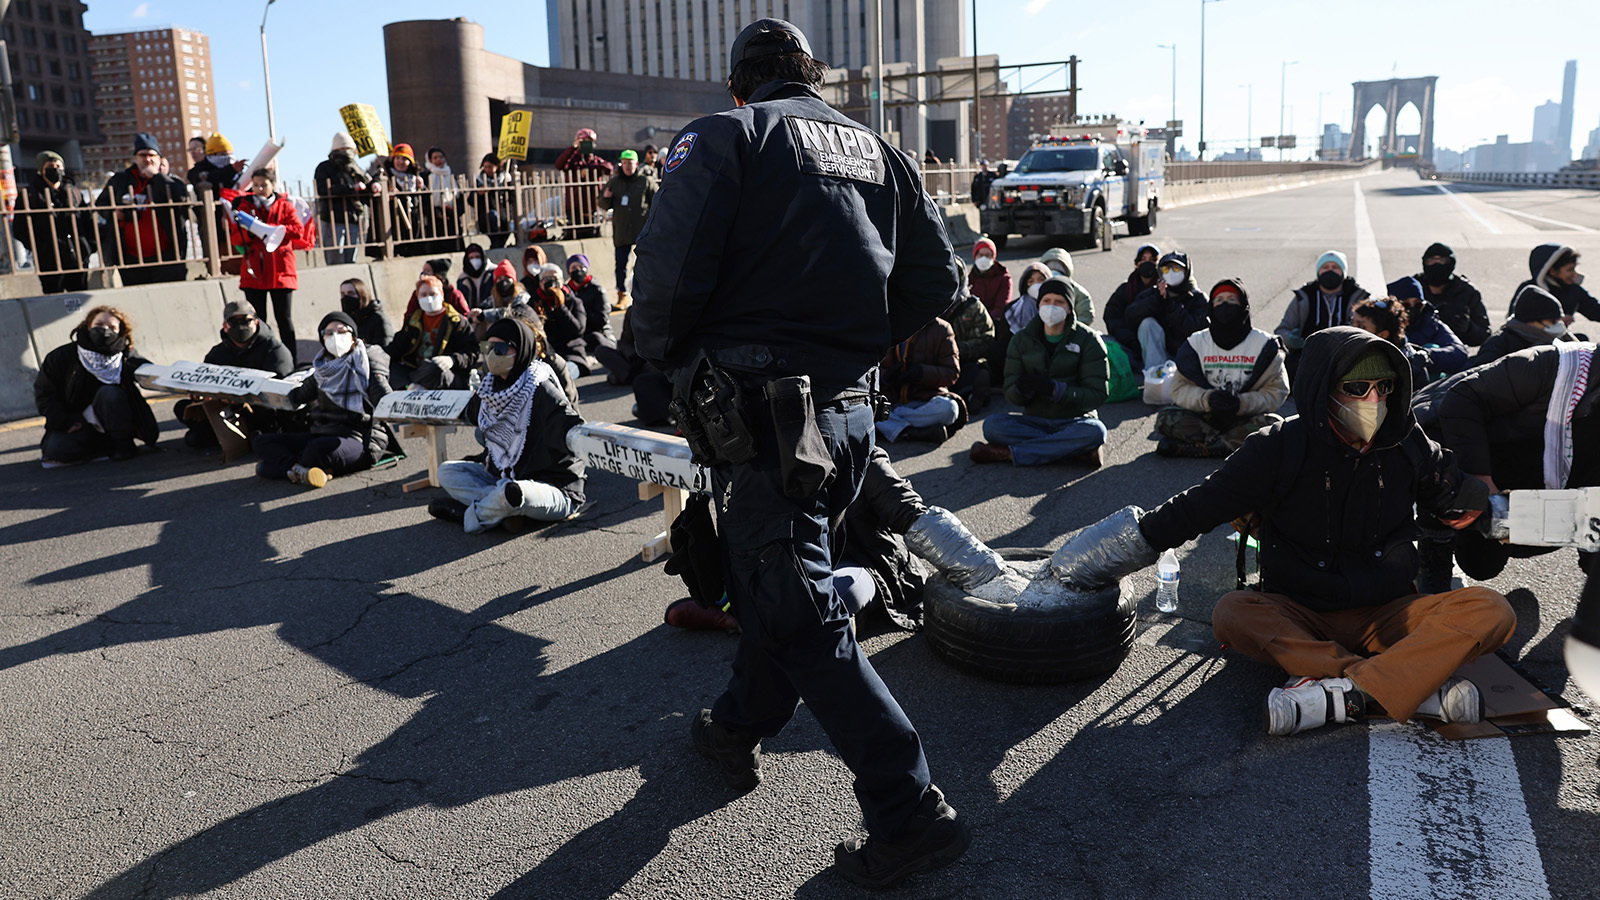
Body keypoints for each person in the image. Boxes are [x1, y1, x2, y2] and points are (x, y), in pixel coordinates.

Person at [630, 17, 970, 888]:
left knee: (798, 609)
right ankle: (734, 727)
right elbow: (941, 284)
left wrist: (671, 365)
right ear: (813, 80)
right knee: (777, 578)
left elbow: (667, 277)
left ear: (740, 85)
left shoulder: (724, 135)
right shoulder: (877, 147)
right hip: (848, 415)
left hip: (764, 417)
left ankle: (909, 810)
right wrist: (850, 346)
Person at [1053, 327, 1511, 737]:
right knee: (1232, 612)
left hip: (1390, 613)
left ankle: (1342, 692)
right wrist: (1099, 559)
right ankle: (1403, 686)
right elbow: (1194, 508)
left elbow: (1450, 485)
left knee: (1491, 610)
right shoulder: (1276, 448)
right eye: (1357, 388)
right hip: (1299, 611)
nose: (1374, 400)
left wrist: (1471, 501)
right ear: (1323, 389)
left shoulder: (1404, 440)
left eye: (1384, 387)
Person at [1425, 341, 1600, 586]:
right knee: (1480, 565)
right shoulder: (1549, 364)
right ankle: (1436, 543)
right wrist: (1482, 483)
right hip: (1476, 457)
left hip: (1534, 488)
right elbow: (1462, 400)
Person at [429, 317, 587, 533]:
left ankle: (472, 516)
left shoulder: (540, 389)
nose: (492, 355)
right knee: (447, 472)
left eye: (500, 348)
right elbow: (472, 414)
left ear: (520, 350)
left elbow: (572, 430)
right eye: (488, 347)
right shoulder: (490, 387)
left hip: (552, 486)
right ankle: (505, 511)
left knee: (514, 492)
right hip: (505, 476)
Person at [972, 276, 1109, 467]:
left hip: (1074, 420)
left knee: (1096, 431)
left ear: (1069, 307)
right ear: (1039, 305)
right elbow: (1010, 392)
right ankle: (1071, 452)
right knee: (992, 426)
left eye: (1059, 302)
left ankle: (1011, 454)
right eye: (1046, 301)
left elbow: (1098, 394)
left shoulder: (1088, 340)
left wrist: (1056, 390)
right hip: (1035, 420)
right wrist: (1021, 391)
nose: (1051, 306)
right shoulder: (1021, 339)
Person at [256, 312, 396, 486]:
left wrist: (394, 404)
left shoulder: (367, 360)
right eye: (328, 333)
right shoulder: (323, 368)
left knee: (309, 452)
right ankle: (300, 469)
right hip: (324, 433)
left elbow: (382, 394)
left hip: (359, 438)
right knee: (263, 442)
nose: (335, 337)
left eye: (342, 331)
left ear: (353, 336)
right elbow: (298, 396)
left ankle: (291, 469)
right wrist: (263, 390)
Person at [1153, 278, 1288, 458]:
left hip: (1244, 417)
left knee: (1274, 425)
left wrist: (1241, 404)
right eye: (1219, 300)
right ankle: (1227, 445)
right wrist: (1207, 399)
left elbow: (1276, 392)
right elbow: (1178, 389)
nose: (1225, 305)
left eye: (1232, 300)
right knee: (1165, 418)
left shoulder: (1265, 345)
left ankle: (1200, 447)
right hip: (1205, 417)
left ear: (1244, 306)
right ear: (1211, 306)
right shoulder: (1196, 343)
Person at [34, 305, 159, 464]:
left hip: (114, 420)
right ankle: (104, 446)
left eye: (112, 327)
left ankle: (122, 443)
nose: (105, 330)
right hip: (79, 422)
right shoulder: (61, 356)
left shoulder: (125, 356)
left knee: (110, 394)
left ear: (120, 332)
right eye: (99, 325)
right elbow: (44, 394)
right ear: (88, 326)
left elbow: (147, 372)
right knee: (57, 450)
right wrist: (65, 422)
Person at [173, 300, 296, 448]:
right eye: (234, 321)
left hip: (260, 409)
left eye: (246, 320)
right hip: (225, 409)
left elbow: (281, 392)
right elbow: (205, 380)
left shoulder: (275, 350)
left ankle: (247, 435)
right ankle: (226, 435)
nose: (241, 326)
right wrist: (201, 394)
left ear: (256, 322)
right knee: (183, 409)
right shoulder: (217, 353)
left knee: (266, 418)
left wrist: (244, 399)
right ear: (225, 326)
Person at [230, 168, 311, 366]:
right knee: (258, 321)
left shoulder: (285, 205)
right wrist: (253, 232)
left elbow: (298, 231)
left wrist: (275, 230)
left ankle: (290, 360)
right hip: (255, 271)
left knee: (284, 319)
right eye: (255, 185)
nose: (259, 189)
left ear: (273, 185)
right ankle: (261, 360)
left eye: (263, 185)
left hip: (281, 270)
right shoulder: (245, 206)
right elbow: (234, 236)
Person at [94, 133, 191, 285]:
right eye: (142, 155)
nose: (147, 159)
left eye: (152, 155)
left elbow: (180, 198)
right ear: (135, 158)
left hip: (167, 256)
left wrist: (156, 176)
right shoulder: (120, 180)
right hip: (131, 258)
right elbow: (101, 204)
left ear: (159, 159)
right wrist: (113, 213)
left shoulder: (171, 181)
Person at [1276, 250, 1370, 380]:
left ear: (1343, 272)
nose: (1329, 271)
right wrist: (1291, 339)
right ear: (1318, 272)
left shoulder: (1358, 297)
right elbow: (1281, 331)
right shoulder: (1304, 297)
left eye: (1335, 267)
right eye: (1325, 267)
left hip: (1346, 357)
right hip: (1308, 356)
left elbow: (1370, 331)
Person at [877, 316, 964, 444]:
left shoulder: (941, 328)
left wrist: (922, 372)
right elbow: (868, 368)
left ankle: (897, 427)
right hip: (890, 398)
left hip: (924, 400)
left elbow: (952, 373)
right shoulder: (887, 325)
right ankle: (914, 431)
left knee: (950, 409)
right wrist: (885, 376)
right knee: (863, 407)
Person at [1385, 243, 1489, 347]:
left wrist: (1468, 328)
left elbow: (1484, 334)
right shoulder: (1412, 287)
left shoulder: (1466, 291)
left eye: (1441, 260)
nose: (1436, 264)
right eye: (1431, 261)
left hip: (1451, 347)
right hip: (1413, 344)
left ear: (1451, 263)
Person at [17, 151, 91, 294]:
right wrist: (41, 248)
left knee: (79, 299)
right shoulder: (30, 195)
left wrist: (89, 246)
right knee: (53, 299)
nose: (55, 169)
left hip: (77, 257)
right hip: (48, 261)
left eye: (58, 165)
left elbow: (87, 220)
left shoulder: (73, 192)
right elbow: (21, 229)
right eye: (50, 166)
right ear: (41, 170)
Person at [387, 276, 479, 390]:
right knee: (385, 366)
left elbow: (472, 351)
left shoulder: (456, 321)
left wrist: (452, 359)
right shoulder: (413, 321)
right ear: (417, 297)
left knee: (434, 367)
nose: (428, 299)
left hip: (443, 372)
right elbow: (396, 348)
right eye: (423, 295)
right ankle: (414, 385)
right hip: (415, 369)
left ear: (442, 295)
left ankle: (412, 385)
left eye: (432, 294)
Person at [1124, 250, 1208, 373]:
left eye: (1176, 268)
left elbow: (1196, 328)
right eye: (1166, 269)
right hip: (1161, 356)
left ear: (1187, 271)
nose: (1171, 273)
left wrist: (1171, 306)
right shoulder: (1153, 294)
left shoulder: (1198, 298)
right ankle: (1156, 375)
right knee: (1147, 323)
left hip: (1189, 358)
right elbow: (1130, 316)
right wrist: (1156, 301)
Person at [598, 148, 657, 311]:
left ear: (636, 164)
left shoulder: (646, 181)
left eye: (630, 163)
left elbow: (658, 203)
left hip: (642, 231)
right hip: (622, 232)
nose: (627, 166)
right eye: (624, 163)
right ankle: (622, 295)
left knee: (644, 263)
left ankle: (647, 292)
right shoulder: (614, 182)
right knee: (621, 265)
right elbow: (602, 204)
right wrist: (606, 198)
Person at [1387, 280, 1468, 379]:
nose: (1412, 309)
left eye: (1418, 305)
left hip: (1425, 380)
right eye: (1406, 305)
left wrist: (1425, 354)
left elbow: (1459, 352)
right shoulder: (1385, 325)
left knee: (1432, 346)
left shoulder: (1431, 322)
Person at [313, 131, 373, 265]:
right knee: (335, 260)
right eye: (343, 149)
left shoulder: (356, 168)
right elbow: (323, 190)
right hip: (332, 219)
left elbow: (367, 188)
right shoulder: (325, 168)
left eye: (349, 149)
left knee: (351, 260)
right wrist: (350, 189)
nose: (347, 153)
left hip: (354, 218)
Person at [989, 260, 1051, 384]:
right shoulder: (1012, 310)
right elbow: (1004, 343)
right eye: (1031, 281)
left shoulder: (1056, 308)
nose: (1036, 285)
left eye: (1041, 280)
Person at [1103, 243, 1162, 370]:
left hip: (1159, 346)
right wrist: (1130, 340)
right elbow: (1112, 318)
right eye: (1143, 260)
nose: (1148, 263)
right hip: (1130, 345)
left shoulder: (1165, 289)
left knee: (1148, 324)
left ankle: (1156, 375)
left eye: (1153, 260)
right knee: (1101, 342)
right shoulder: (1126, 289)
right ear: (1136, 264)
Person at [1474, 284, 1566, 365]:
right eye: (1552, 321)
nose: (1558, 325)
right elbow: (1481, 376)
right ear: (1531, 321)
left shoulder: (1557, 342)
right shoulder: (1499, 344)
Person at [945, 260, 994, 411]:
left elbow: (987, 340)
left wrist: (956, 350)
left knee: (980, 372)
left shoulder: (973, 307)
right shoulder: (928, 307)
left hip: (966, 363)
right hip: (939, 364)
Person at [1510, 244, 1597, 327]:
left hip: (1558, 339)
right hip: (1529, 339)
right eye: (1570, 270)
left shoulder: (1573, 290)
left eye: (1574, 268)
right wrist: (1555, 322)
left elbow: (1595, 310)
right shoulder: (1530, 291)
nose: (1574, 274)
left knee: (1582, 339)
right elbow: (1515, 321)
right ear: (1553, 271)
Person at [530, 262, 589, 380]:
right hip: (545, 358)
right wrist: (539, 320)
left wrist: (561, 308)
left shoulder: (574, 302)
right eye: (546, 279)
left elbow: (577, 331)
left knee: (559, 376)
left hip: (571, 356)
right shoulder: (534, 303)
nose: (551, 281)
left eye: (555, 278)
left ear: (562, 282)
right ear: (541, 283)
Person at [554, 128, 615, 236]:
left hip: (591, 205)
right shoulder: (572, 159)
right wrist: (573, 148)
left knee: (592, 232)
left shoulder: (596, 160)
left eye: (590, 142)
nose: (588, 144)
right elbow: (559, 165)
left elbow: (609, 169)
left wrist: (590, 167)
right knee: (575, 233)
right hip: (574, 205)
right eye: (584, 141)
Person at [565, 253, 618, 370]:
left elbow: (602, 319)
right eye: (574, 268)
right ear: (569, 272)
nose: (578, 270)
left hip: (599, 333)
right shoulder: (566, 292)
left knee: (596, 338)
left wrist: (581, 314)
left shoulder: (597, 289)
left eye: (581, 267)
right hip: (579, 335)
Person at [386, 143, 425, 255]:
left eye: (405, 159)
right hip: (394, 224)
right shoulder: (386, 176)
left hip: (413, 222)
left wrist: (422, 187)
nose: (400, 162)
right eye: (398, 158)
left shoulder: (414, 178)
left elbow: (425, 201)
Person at [1038, 247, 1094, 327]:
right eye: (1050, 267)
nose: (1054, 272)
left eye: (1058, 268)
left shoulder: (1078, 292)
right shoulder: (1037, 289)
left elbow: (1084, 317)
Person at [420, 146, 460, 253]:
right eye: (435, 158)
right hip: (434, 219)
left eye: (441, 157)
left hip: (451, 216)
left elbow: (458, 196)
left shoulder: (449, 173)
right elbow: (424, 199)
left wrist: (454, 210)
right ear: (430, 160)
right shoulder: (426, 176)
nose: (439, 160)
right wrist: (435, 211)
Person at [339, 278, 395, 350]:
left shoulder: (378, 319)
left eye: (351, 293)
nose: (346, 297)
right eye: (343, 294)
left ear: (362, 294)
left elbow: (384, 350)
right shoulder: (345, 320)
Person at [473, 153, 515, 248]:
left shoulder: (505, 179)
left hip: (504, 213)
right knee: (492, 220)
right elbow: (471, 200)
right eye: (485, 167)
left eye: (490, 167)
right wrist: (480, 193)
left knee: (506, 227)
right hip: (487, 215)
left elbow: (512, 198)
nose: (487, 170)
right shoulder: (480, 180)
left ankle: (499, 244)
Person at [403, 258, 470, 318]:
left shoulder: (454, 294)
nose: (423, 274)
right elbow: (409, 316)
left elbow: (465, 316)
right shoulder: (418, 294)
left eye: (428, 271)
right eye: (424, 295)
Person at [968, 236, 1012, 320]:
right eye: (980, 255)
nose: (983, 258)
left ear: (993, 257)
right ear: (975, 257)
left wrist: (982, 319)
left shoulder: (1004, 279)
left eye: (987, 255)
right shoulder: (969, 279)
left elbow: (1001, 308)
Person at [457, 243, 495, 308]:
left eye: (477, 257)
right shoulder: (462, 278)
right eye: (471, 258)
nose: (474, 260)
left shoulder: (492, 272)